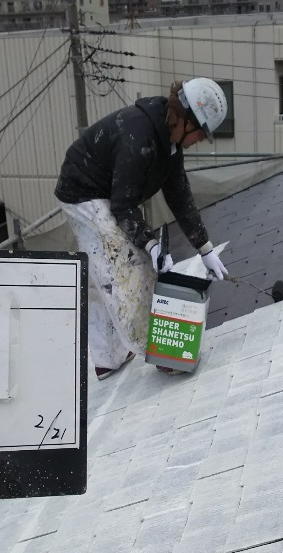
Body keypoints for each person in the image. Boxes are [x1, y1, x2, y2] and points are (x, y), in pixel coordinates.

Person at [54, 78, 230, 380]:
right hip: (83, 193)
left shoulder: (170, 143)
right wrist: (151, 245)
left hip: (105, 191)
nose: (199, 140)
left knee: (102, 273)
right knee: (127, 267)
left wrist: (205, 249)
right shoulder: (138, 138)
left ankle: (108, 359)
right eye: (200, 134)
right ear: (184, 120)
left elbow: (180, 196)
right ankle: (161, 353)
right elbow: (123, 206)